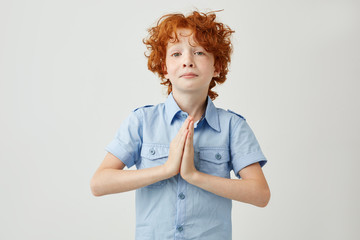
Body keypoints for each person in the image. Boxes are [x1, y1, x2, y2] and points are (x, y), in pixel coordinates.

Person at [90, 10, 270, 240]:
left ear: (217, 67)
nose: (187, 60)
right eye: (176, 54)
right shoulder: (142, 122)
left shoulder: (233, 127)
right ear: (164, 67)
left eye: (199, 52)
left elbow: (260, 194)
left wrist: (194, 175)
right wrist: (166, 169)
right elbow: (99, 183)